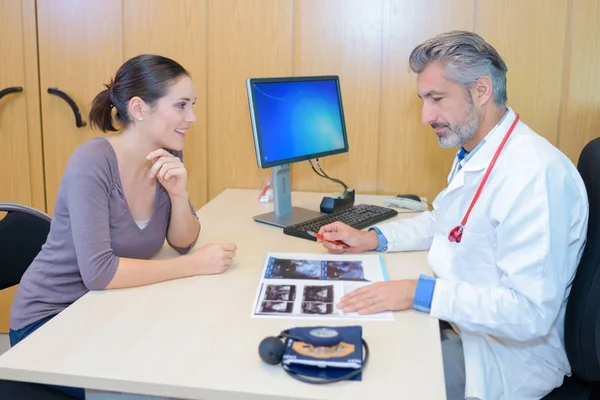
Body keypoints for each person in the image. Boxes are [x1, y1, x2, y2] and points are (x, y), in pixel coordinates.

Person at [317, 31, 589, 400]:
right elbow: (446, 221)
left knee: (363, 379)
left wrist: (418, 292)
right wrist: (374, 239)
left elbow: (529, 312)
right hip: (467, 330)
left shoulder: (534, 175)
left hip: (508, 362)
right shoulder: (476, 152)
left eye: (436, 99)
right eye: (423, 100)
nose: (426, 116)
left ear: (480, 91)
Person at [9, 55, 237, 397]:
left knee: (192, 359)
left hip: (106, 309)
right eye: (181, 105)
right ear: (139, 108)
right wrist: (192, 266)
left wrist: (178, 194)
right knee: (148, 387)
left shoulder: (168, 153)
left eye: (192, 105)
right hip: (49, 322)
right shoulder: (92, 163)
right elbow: (100, 273)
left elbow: (183, 241)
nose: (192, 118)